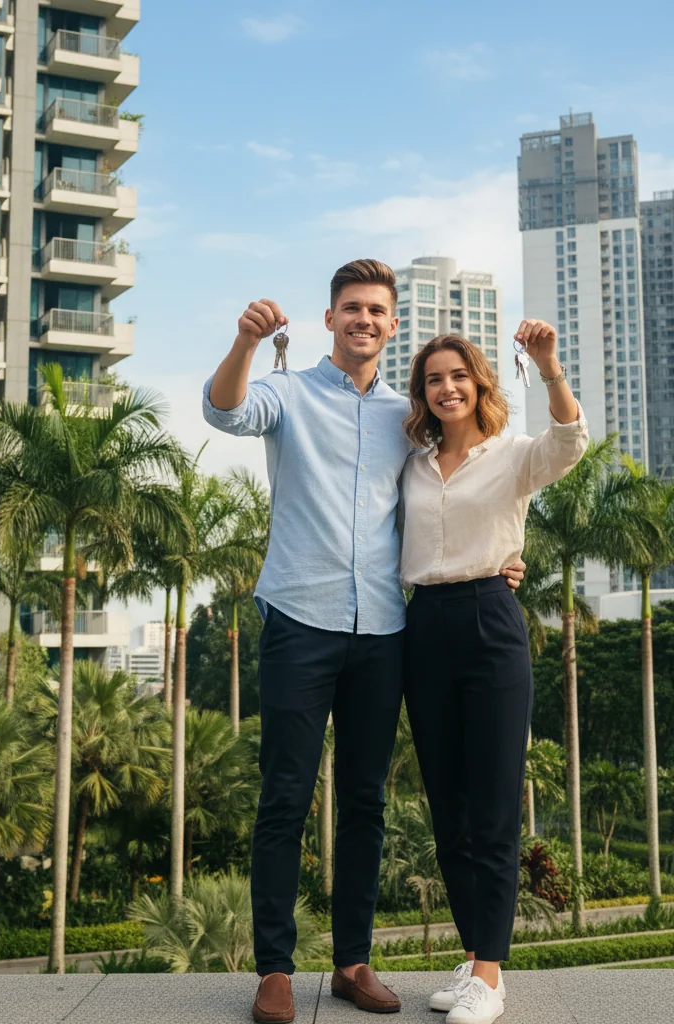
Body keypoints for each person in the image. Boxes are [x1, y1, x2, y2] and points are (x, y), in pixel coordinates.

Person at [202, 259, 525, 1024]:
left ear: (390, 324)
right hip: (299, 623)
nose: (365, 320)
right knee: (283, 797)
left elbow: (462, 489)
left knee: (365, 802)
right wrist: (246, 342)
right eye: (352, 308)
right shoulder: (286, 392)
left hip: (384, 630)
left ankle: (352, 961)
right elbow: (223, 412)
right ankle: (276, 969)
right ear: (330, 319)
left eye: (378, 311)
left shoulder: (405, 421)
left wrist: (506, 556)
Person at [400, 325, 586, 1024]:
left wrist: (548, 367)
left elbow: (569, 444)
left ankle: (490, 973)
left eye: (458, 377)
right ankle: (475, 948)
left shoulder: (512, 456)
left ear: (479, 385)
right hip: (423, 625)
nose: (445, 389)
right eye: (432, 381)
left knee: (493, 803)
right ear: (422, 394)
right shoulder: (411, 464)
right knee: (448, 807)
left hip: (490, 618)